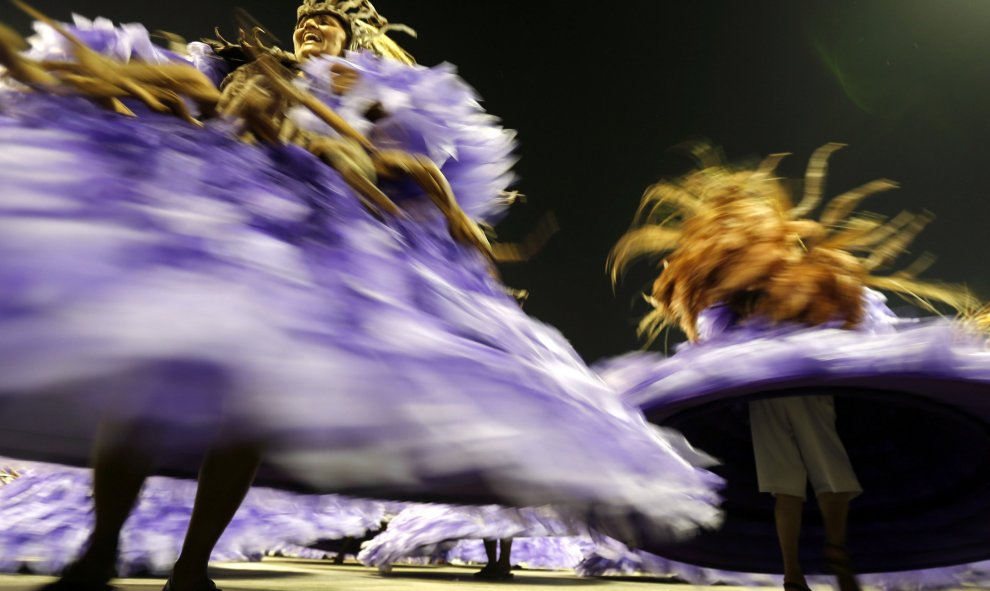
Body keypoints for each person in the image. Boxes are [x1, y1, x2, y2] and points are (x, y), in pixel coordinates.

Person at [0, 3, 723, 590]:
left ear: (348, 33)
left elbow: (410, 161)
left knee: (242, 418)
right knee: (140, 391)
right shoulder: (244, 65)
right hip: (217, 232)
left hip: (302, 259)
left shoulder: (365, 83)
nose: (313, 23)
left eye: (327, 19)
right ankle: (100, 546)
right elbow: (180, 104)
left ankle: (192, 565)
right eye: (306, 15)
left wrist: (396, 171)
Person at [606, 143, 989, 591]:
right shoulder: (769, 296)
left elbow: (718, 339)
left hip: (772, 394)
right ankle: (821, 556)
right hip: (787, 391)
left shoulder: (771, 295)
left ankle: (804, 566)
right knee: (824, 481)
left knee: (798, 487)